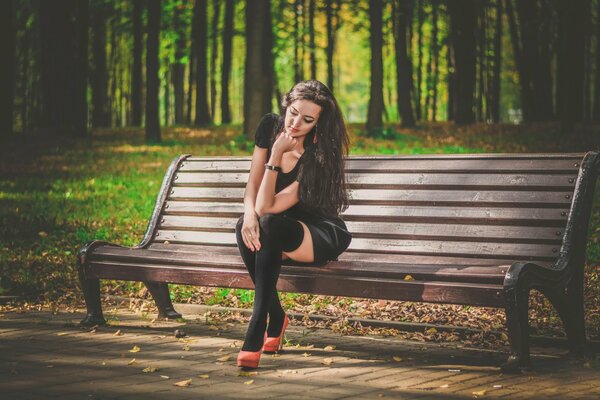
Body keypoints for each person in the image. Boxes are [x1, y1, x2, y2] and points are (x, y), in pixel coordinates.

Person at [235, 80, 352, 369]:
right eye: (293, 112)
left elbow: (268, 208)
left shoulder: (319, 155)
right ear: (286, 105)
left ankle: (259, 322)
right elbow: (253, 188)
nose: (296, 122)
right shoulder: (269, 127)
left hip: (318, 232)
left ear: (318, 123)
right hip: (279, 224)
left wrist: (275, 156)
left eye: (307, 119)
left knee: (269, 226)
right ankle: (277, 316)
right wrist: (248, 215)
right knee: (244, 226)